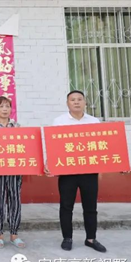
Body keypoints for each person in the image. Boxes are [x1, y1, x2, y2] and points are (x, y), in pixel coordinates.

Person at [50, 90, 106, 253]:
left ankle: (91, 239)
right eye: (72, 99)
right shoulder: (59, 121)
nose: (76, 102)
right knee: (66, 206)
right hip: (67, 172)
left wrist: (101, 169)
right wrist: (51, 164)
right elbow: (54, 146)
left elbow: (100, 146)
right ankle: (67, 238)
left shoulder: (94, 122)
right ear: (67, 103)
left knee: (90, 206)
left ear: (85, 102)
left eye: (79, 99)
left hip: (89, 171)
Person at [0, 96, 25, 250]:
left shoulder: (18, 127)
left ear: (11, 109)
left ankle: (14, 234)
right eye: (1, 106)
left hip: (15, 169)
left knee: (15, 200)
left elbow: (25, 147)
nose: (4, 109)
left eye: (7, 106)